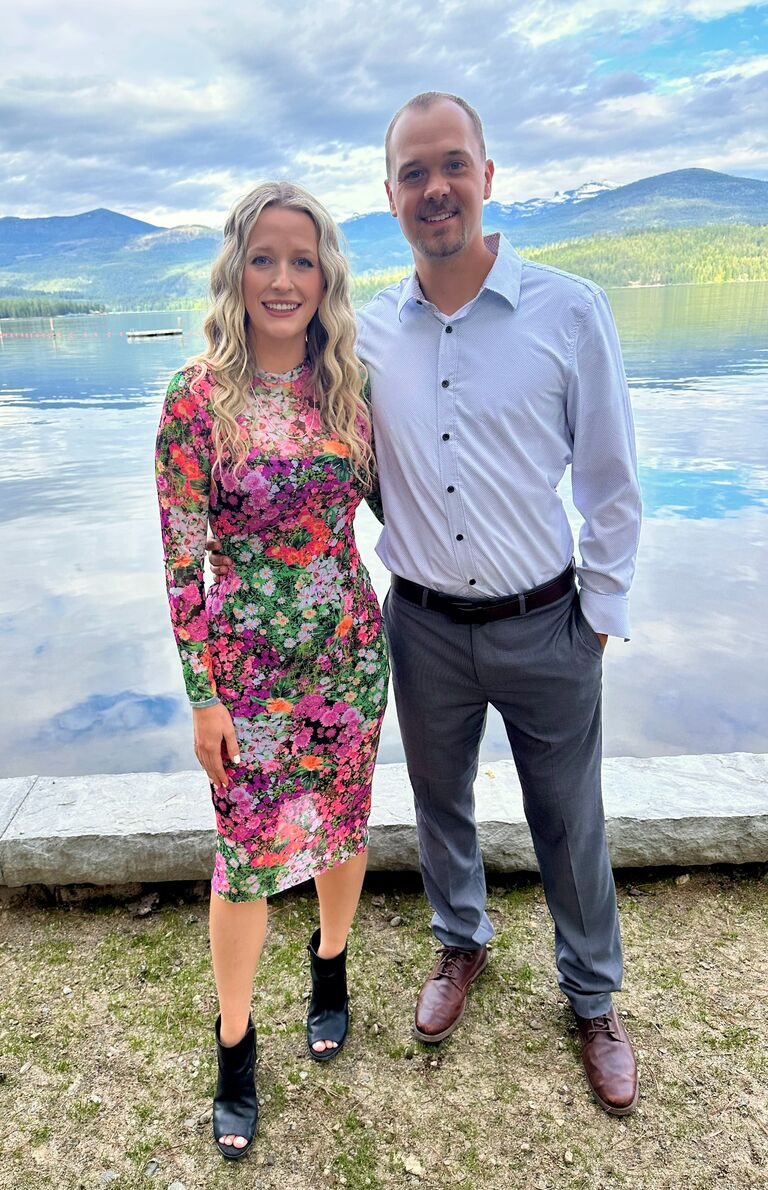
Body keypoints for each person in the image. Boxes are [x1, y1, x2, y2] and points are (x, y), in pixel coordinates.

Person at [211, 91, 642, 1117]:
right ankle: (461, 944)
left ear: (487, 177)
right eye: (413, 173)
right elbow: (317, 466)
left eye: (452, 165)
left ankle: (593, 996)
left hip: (548, 619)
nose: (435, 187)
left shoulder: (569, 311)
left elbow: (611, 479)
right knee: (440, 806)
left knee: (569, 819)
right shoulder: (362, 344)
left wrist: (601, 611)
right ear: (392, 197)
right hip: (421, 624)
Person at [155, 180, 389, 1161]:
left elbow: (400, 511)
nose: (284, 279)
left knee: (341, 826)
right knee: (246, 856)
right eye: (265, 258)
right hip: (247, 677)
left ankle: (330, 966)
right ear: (236, 271)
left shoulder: (353, 384)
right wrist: (202, 692)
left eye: (303, 260)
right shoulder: (196, 397)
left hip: (348, 653)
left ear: (326, 273)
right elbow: (181, 559)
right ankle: (235, 1038)